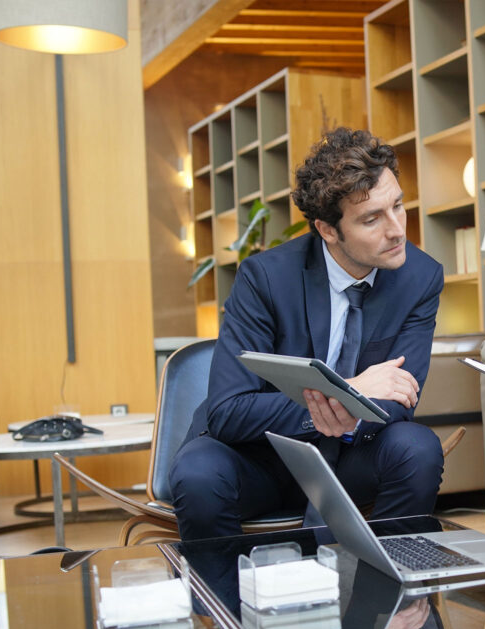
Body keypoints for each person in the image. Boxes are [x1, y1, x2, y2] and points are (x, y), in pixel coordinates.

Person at [169, 127, 446, 541]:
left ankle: (390, 591)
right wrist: (348, 391)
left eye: (398, 206)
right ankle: (223, 598)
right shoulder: (265, 278)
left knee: (417, 448)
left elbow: (400, 399)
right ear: (328, 230)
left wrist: (348, 409)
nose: (397, 230)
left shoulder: (420, 278)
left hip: (354, 456)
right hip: (261, 457)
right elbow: (229, 410)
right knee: (197, 473)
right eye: (372, 219)